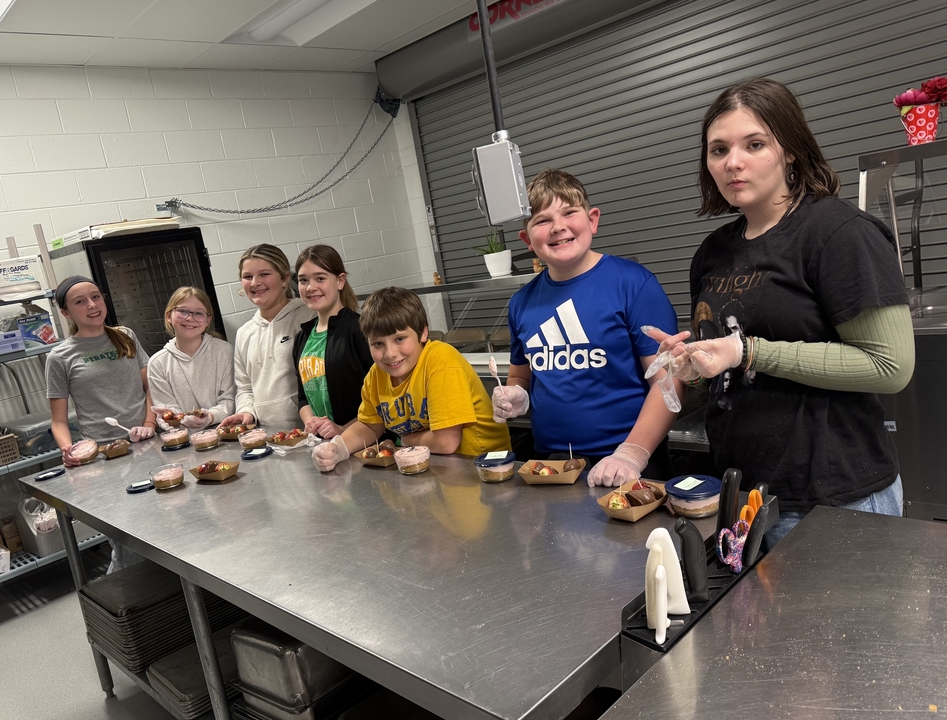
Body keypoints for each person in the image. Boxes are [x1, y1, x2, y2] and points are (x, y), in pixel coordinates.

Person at [648, 77, 914, 547]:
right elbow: (725, 368)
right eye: (718, 149)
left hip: (834, 500)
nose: (733, 162)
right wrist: (689, 365)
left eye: (754, 144)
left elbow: (889, 366)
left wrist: (748, 351)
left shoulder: (838, 232)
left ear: (789, 150)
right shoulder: (712, 253)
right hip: (745, 497)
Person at [491, 168, 681, 487]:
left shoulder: (633, 284)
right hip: (550, 465)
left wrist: (631, 454)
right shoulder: (521, 302)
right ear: (527, 239)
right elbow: (521, 375)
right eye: (541, 220)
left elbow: (670, 381)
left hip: (627, 465)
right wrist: (517, 395)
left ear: (592, 220)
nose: (558, 227)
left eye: (569, 213)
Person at [311, 287, 511, 472]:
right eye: (378, 343)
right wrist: (338, 448)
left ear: (423, 332)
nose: (390, 353)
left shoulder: (441, 361)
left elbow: (446, 443)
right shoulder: (375, 375)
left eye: (399, 339)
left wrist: (405, 439)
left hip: (480, 469)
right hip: (432, 467)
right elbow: (370, 426)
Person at [46, 275, 157, 573]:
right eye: (80, 301)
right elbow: (58, 421)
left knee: (163, 525)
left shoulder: (125, 335)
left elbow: (152, 388)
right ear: (66, 312)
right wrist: (70, 450)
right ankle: (132, 607)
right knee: (127, 541)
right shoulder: (60, 356)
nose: (92, 305)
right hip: (105, 459)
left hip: (148, 445)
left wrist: (149, 422)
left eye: (96, 297)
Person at [219, 244, 314, 431]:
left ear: (285, 278)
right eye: (248, 277)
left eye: (264, 274)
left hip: (312, 430)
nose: (255, 283)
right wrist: (247, 411)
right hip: (269, 437)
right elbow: (245, 387)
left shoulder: (309, 317)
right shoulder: (244, 333)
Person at [292, 245, 373, 439]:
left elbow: (381, 397)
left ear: (340, 281)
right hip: (325, 444)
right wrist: (310, 420)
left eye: (320, 278)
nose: (310, 287)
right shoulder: (302, 338)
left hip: (364, 442)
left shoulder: (360, 329)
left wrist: (344, 429)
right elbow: (303, 397)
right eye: (303, 280)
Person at [147, 286, 236, 430]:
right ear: (169, 316)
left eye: (199, 313)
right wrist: (176, 418)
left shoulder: (224, 351)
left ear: (207, 321)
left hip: (225, 432)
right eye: (182, 311)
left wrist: (209, 417)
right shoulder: (158, 363)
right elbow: (169, 411)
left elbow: (230, 399)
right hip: (185, 440)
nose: (190, 318)